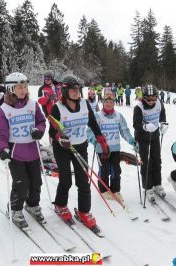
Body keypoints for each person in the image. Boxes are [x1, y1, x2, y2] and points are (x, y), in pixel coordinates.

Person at [49, 75, 109, 229]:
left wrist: (101, 139)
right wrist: (59, 138)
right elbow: (52, 131)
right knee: (66, 179)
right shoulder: (58, 108)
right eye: (73, 89)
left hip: (80, 145)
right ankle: (61, 204)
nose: (76, 92)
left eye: (78, 89)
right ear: (64, 90)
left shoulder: (84, 105)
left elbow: (93, 123)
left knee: (83, 180)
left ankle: (84, 211)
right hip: (63, 148)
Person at [0, 72, 46, 228]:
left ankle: (32, 205)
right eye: (19, 87)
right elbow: (1, 132)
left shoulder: (33, 105)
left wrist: (39, 130)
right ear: (11, 88)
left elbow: (41, 121)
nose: (23, 90)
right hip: (15, 153)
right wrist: (3, 148)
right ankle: (15, 209)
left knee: (36, 182)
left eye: (25, 87)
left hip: (33, 150)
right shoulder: (4, 109)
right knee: (21, 183)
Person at [87, 92, 139, 202]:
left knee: (116, 170)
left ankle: (115, 190)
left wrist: (132, 141)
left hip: (115, 148)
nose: (109, 104)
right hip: (102, 149)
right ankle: (104, 191)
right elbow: (89, 132)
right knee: (104, 170)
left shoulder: (119, 116)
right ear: (103, 102)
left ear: (114, 103)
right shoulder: (97, 116)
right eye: (107, 102)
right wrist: (95, 140)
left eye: (111, 102)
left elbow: (124, 131)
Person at [133, 84, 168, 202]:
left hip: (155, 135)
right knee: (146, 162)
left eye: (154, 98)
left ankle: (157, 184)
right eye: (148, 99)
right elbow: (136, 124)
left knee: (156, 159)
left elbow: (162, 114)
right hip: (142, 137)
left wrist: (163, 123)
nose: (152, 102)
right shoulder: (139, 107)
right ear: (143, 97)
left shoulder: (159, 103)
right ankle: (148, 187)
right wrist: (144, 126)